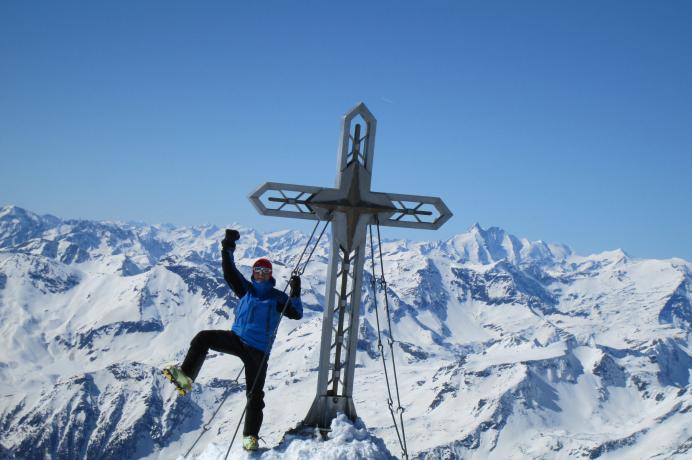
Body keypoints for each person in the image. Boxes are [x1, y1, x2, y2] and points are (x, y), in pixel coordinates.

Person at [163, 229, 303, 451]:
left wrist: (295, 292)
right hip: (237, 338)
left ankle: (250, 438)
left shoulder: (277, 298)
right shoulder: (246, 290)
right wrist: (228, 246)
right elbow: (229, 272)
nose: (260, 274)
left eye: (264, 271)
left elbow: (296, 313)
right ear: (253, 273)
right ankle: (185, 379)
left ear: (270, 274)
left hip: (258, 351)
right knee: (202, 338)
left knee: (254, 395)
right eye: (257, 270)